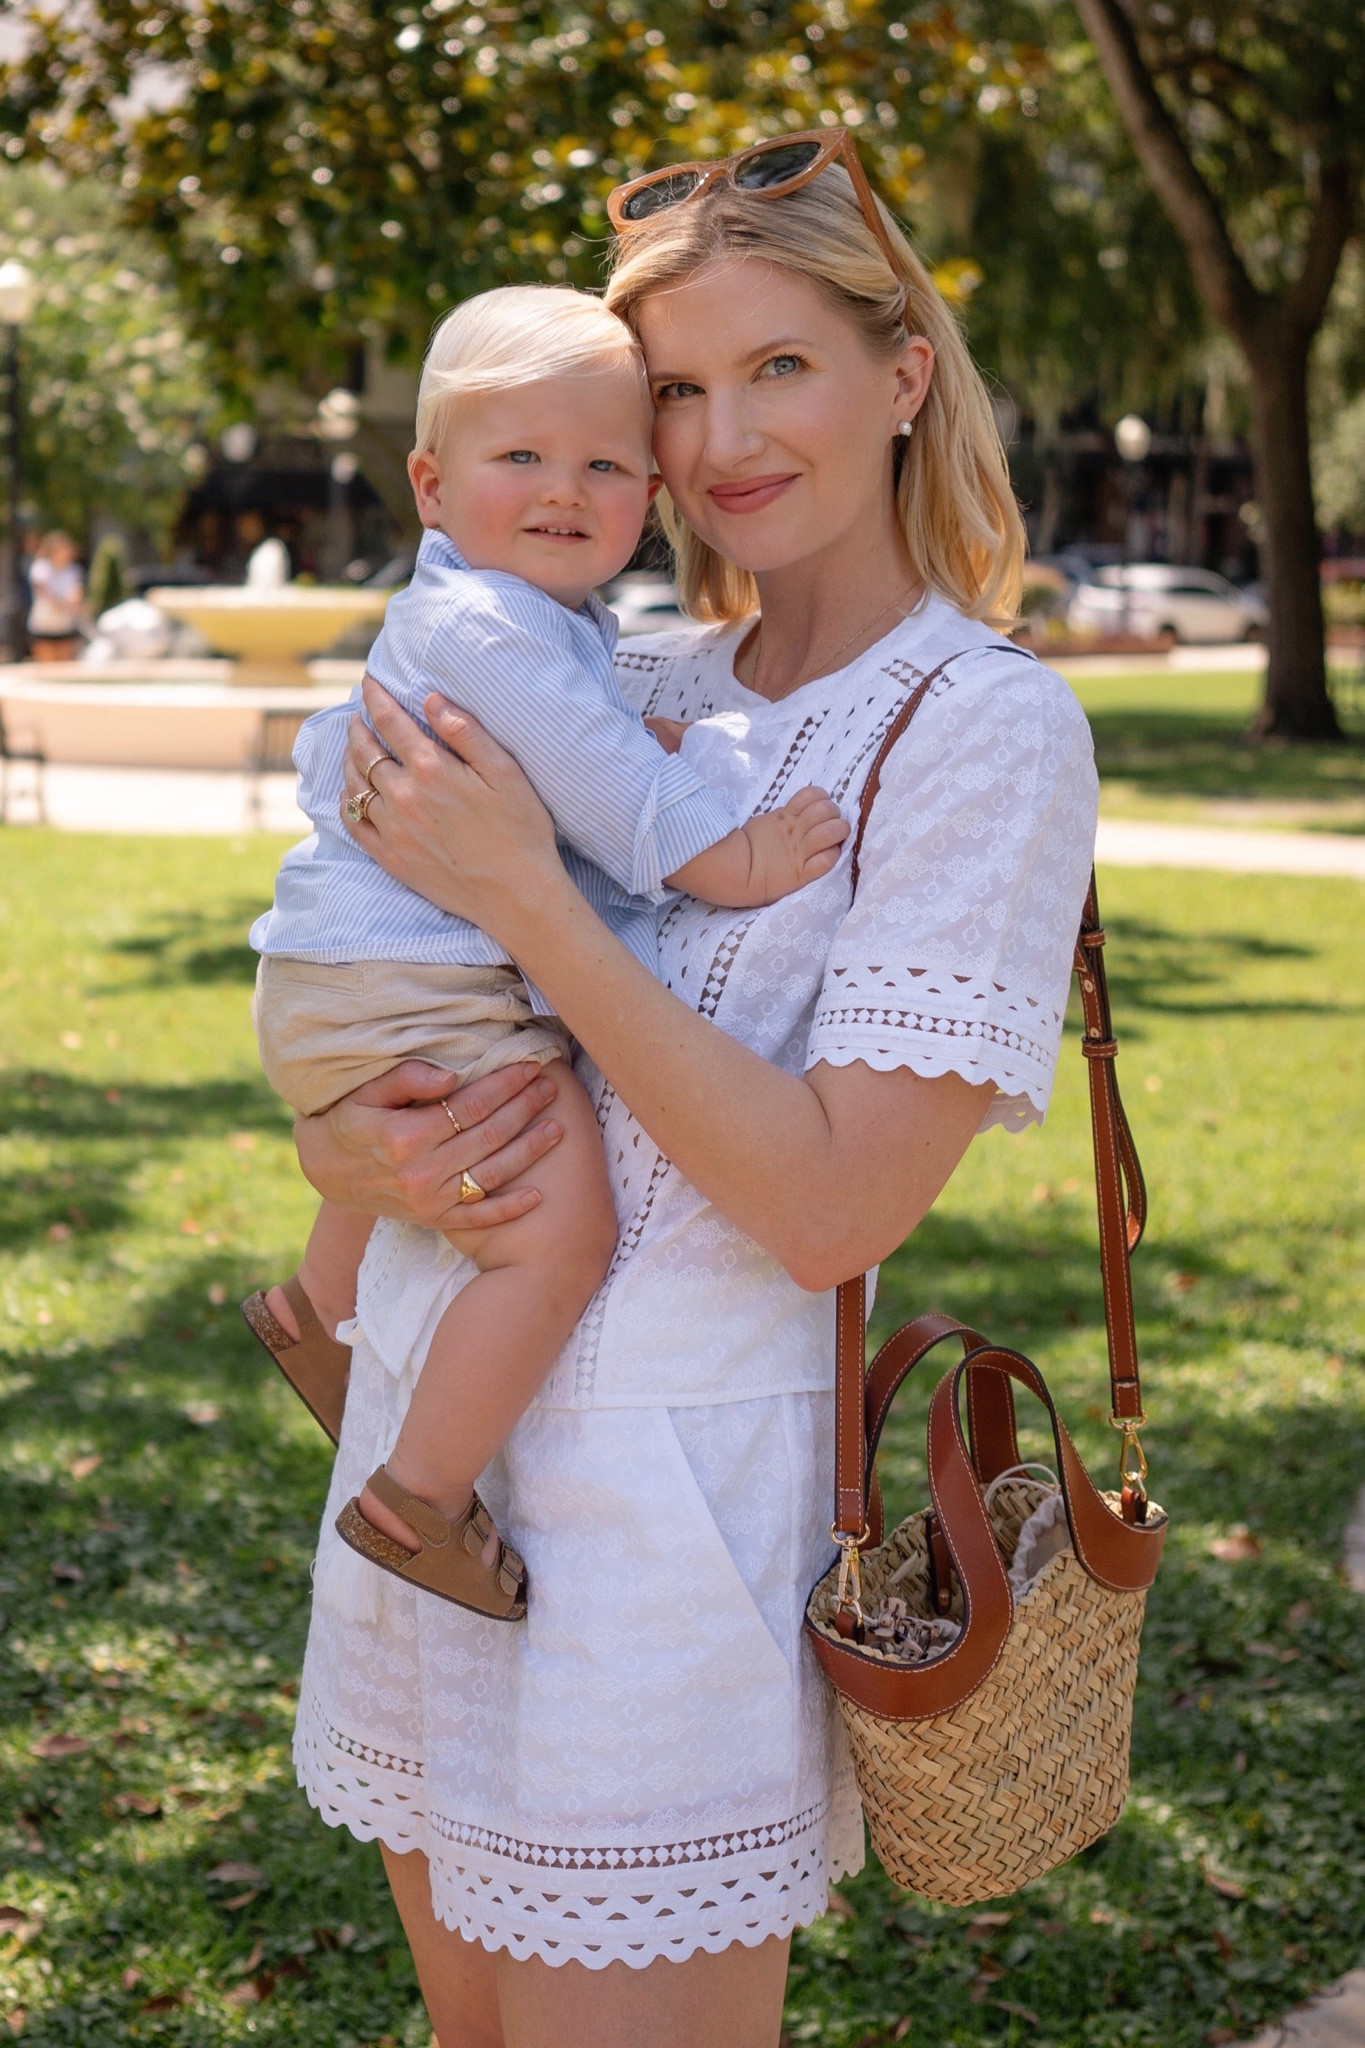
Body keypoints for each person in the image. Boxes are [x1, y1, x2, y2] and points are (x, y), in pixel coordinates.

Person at [286, 130, 1099, 2048]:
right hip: (432, 1457)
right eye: (674, 391)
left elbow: (831, 1209)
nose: (722, 438)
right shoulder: (624, 675)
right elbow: (372, 975)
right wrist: (342, 1136)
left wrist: (525, 903)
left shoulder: (978, 723)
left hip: (667, 1539)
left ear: (903, 375)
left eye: (780, 367)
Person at [244, 284, 847, 1622]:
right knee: (556, 1241)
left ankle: (315, 1305)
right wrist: (735, 856)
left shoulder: (506, 616)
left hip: (362, 974)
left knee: (458, 1102)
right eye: (520, 456)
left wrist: (655, 752)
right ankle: (422, 1501)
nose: (565, 489)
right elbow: (617, 805)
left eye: (606, 464)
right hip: (407, 982)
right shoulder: (493, 629)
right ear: (430, 482)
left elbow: (575, 755)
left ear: (649, 489)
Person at [27, 531, 88, 660]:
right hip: (44, 625)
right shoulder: (40, 568)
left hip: (65, 626)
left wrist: (68, 604)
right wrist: (66, 604)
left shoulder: (73, 571)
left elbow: (76, 595)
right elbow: (44, 594)